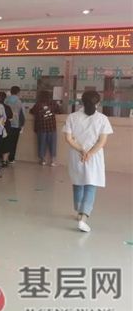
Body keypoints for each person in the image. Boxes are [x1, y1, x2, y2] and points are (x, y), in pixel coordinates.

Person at [63, 91, 113, 233]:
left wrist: (81, 150)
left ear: (82, 102)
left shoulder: (72, 117)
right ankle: (84, 217)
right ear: (98, 103)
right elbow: (102, 141)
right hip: (94, 156)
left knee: (78, 183)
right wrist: (89, 153)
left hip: (76, 155)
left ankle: (79, 212)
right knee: (91, 185)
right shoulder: (102, 119)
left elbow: (68, 138)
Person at [30, 90, 61, 166]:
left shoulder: (38, 104)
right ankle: (53, 161)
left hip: (41, 127)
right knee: (52, 143)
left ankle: (43, 160)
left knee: (42, 143)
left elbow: (32, 111)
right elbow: (59, 111)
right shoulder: (53, 103)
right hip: (51, 127)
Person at [4, 86, 25, 164]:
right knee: (13, 142)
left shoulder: (6, 100)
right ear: (18, 92)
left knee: (5, 141)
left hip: (6, 124)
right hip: (16, 125)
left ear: (11, 91)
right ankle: (11, 158)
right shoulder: (19, 102)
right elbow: (22, 115)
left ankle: (3, 158)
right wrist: (22, 125)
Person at [0, 91, 13, 168]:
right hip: (6, 128)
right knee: (6, 144)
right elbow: (10, 117)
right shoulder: (7, 107)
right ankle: (4, 161)